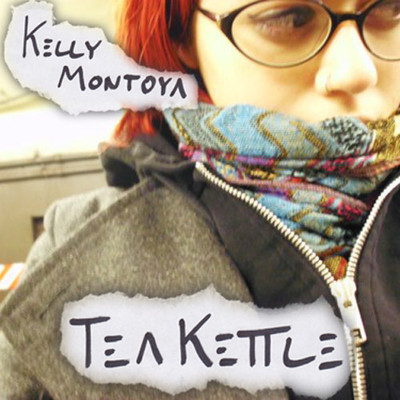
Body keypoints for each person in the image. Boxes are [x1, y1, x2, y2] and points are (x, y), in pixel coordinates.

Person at [1, 0, 400, 399]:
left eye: (391, 9)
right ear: (181, 37)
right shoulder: (71, 265)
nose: (358, 71)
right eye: (289, 18)